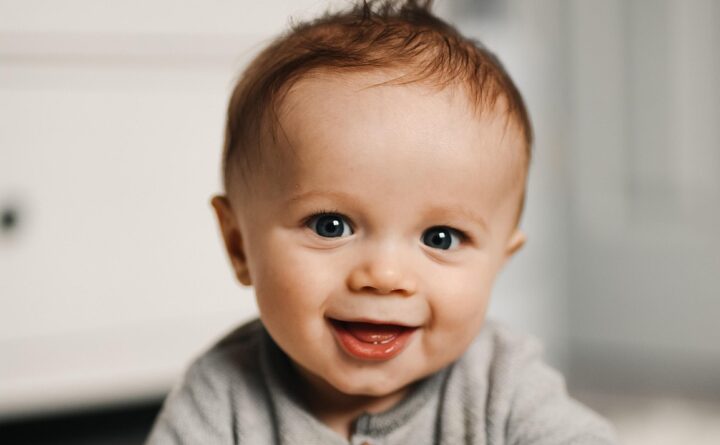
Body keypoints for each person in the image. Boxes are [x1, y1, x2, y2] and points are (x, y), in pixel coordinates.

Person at [146, 1, 618, 443]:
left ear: (498, 262)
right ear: (237, 245)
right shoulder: (222, 394)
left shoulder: (502, 381)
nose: (385, 277)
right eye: (331, 226)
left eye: (441, 237)